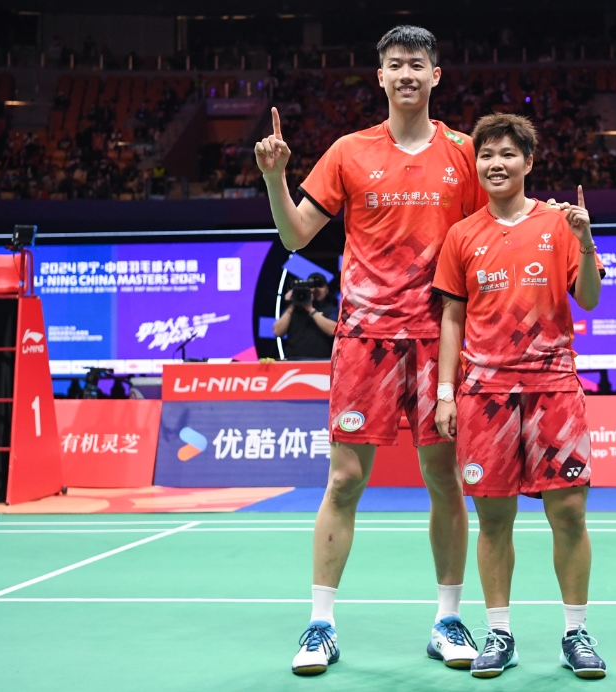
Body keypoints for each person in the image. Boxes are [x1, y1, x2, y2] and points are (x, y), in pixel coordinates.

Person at [254, 25, 487, 676]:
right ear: (379, 76)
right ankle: (320, 625)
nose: (406, 73)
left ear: (435, 76)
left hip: (438, 338)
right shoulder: (349, 152)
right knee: (344, 480)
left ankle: (447, 619)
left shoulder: (464, 153)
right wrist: (275, 179)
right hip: (364, 339)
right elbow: (296, 235)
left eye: (417, 64)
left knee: (443, 480)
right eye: (395, 64)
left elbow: (489, 233)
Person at [432, 113, 607, 680]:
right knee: (493, 518)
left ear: (529, 162)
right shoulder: (462, 235)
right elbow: (452, 317)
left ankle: (576, 633)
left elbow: (589, 299)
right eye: (486, 155)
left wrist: (585, 241)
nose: (496, 164)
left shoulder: (559, 224)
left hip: (553, 386)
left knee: (569, 513)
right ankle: (499, 633)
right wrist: (445, 391)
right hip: (485, 394)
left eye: (508, 154)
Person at [273, 272, 339, 360]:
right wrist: (292, 304)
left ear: (327, 290)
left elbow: (333, 330)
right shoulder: (293, 309)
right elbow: (277, 332)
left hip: (322, 362)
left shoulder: (332, 309)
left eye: (320, 286)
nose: (316, 289)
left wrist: (310, 309)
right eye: (312, 286)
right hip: (294, 361)